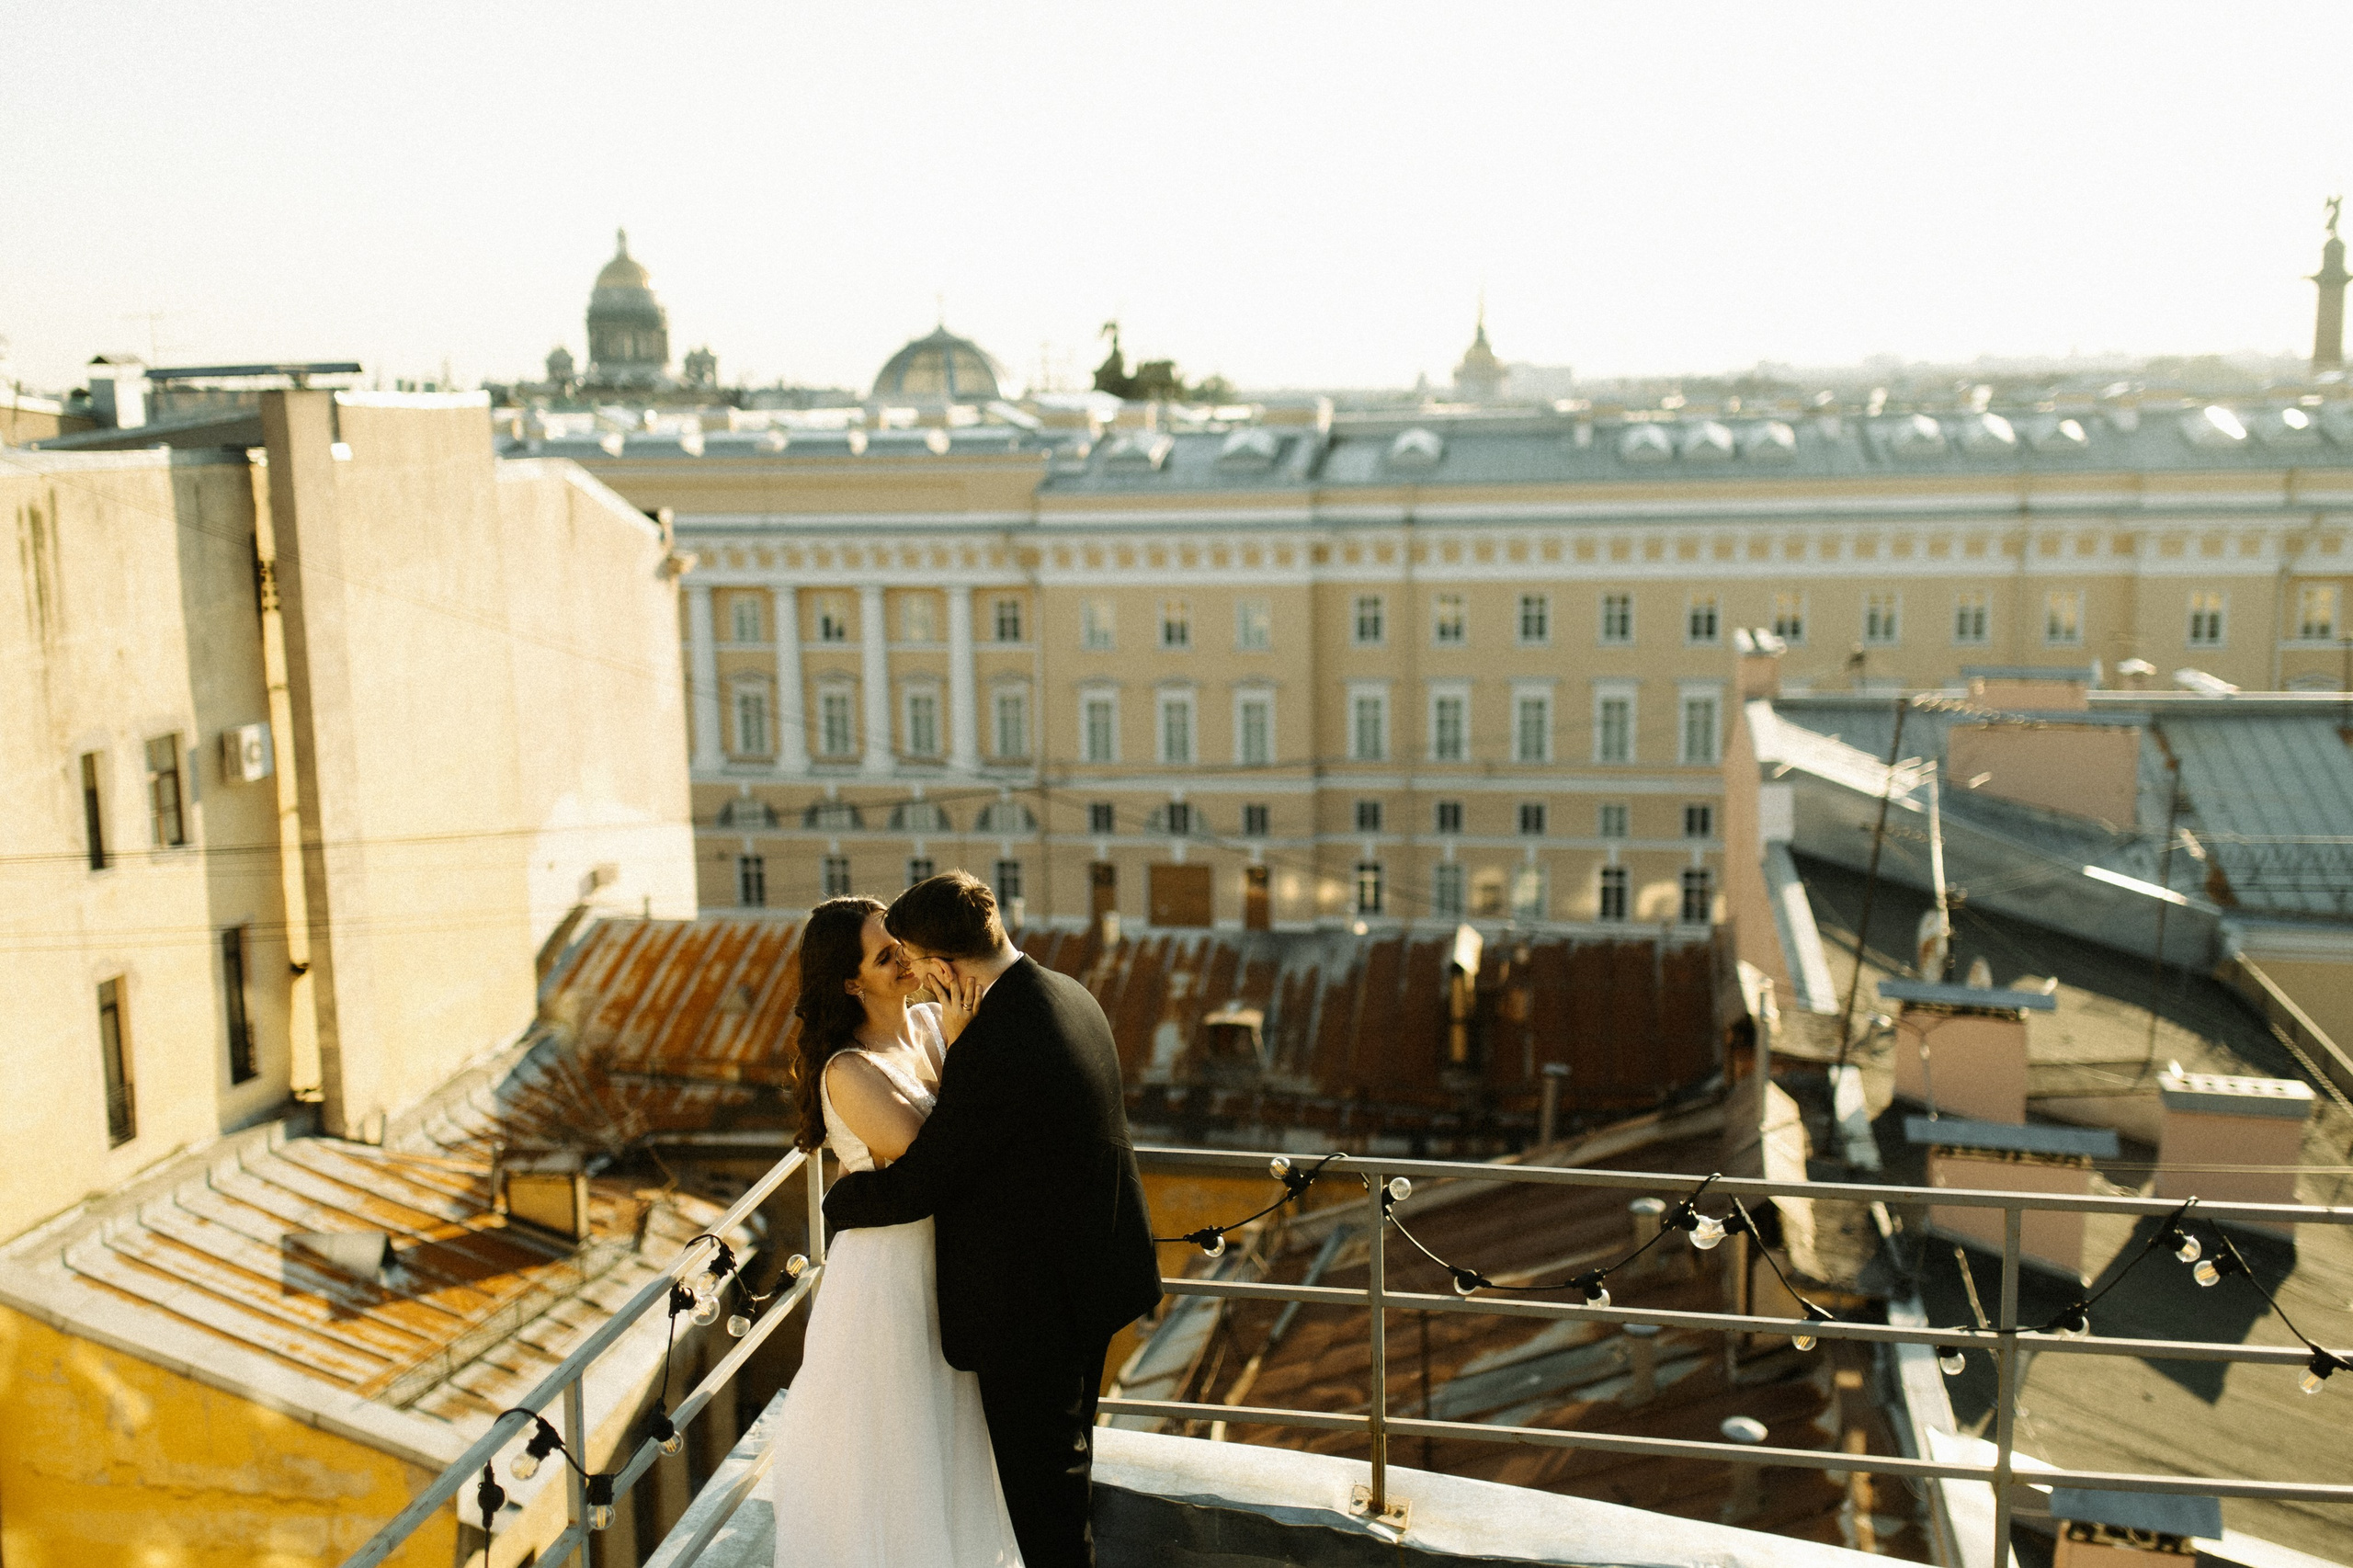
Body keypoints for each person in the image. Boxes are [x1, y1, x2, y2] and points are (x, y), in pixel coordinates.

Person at [824, 871, 1163, 1568]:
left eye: (913, 960)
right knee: (1067, 1468)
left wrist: (841, 1200)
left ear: (945, 968)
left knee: (1047, 1507)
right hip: (1091, 1268)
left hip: (1035, 1306)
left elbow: (923, 1180)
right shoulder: (1064, 991)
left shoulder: (994, 1041)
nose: (910, 974)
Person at [768, 895, 1019, 1568]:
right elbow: (937, 1154)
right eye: (885, 957)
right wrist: (969, 1046)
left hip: (949, 1264)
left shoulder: (937, 1024)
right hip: (887, 1279)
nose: (905, 960)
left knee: (951, 1434)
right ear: (852, 983)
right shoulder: (848, 1071)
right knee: (897, 1445)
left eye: (900, 944)